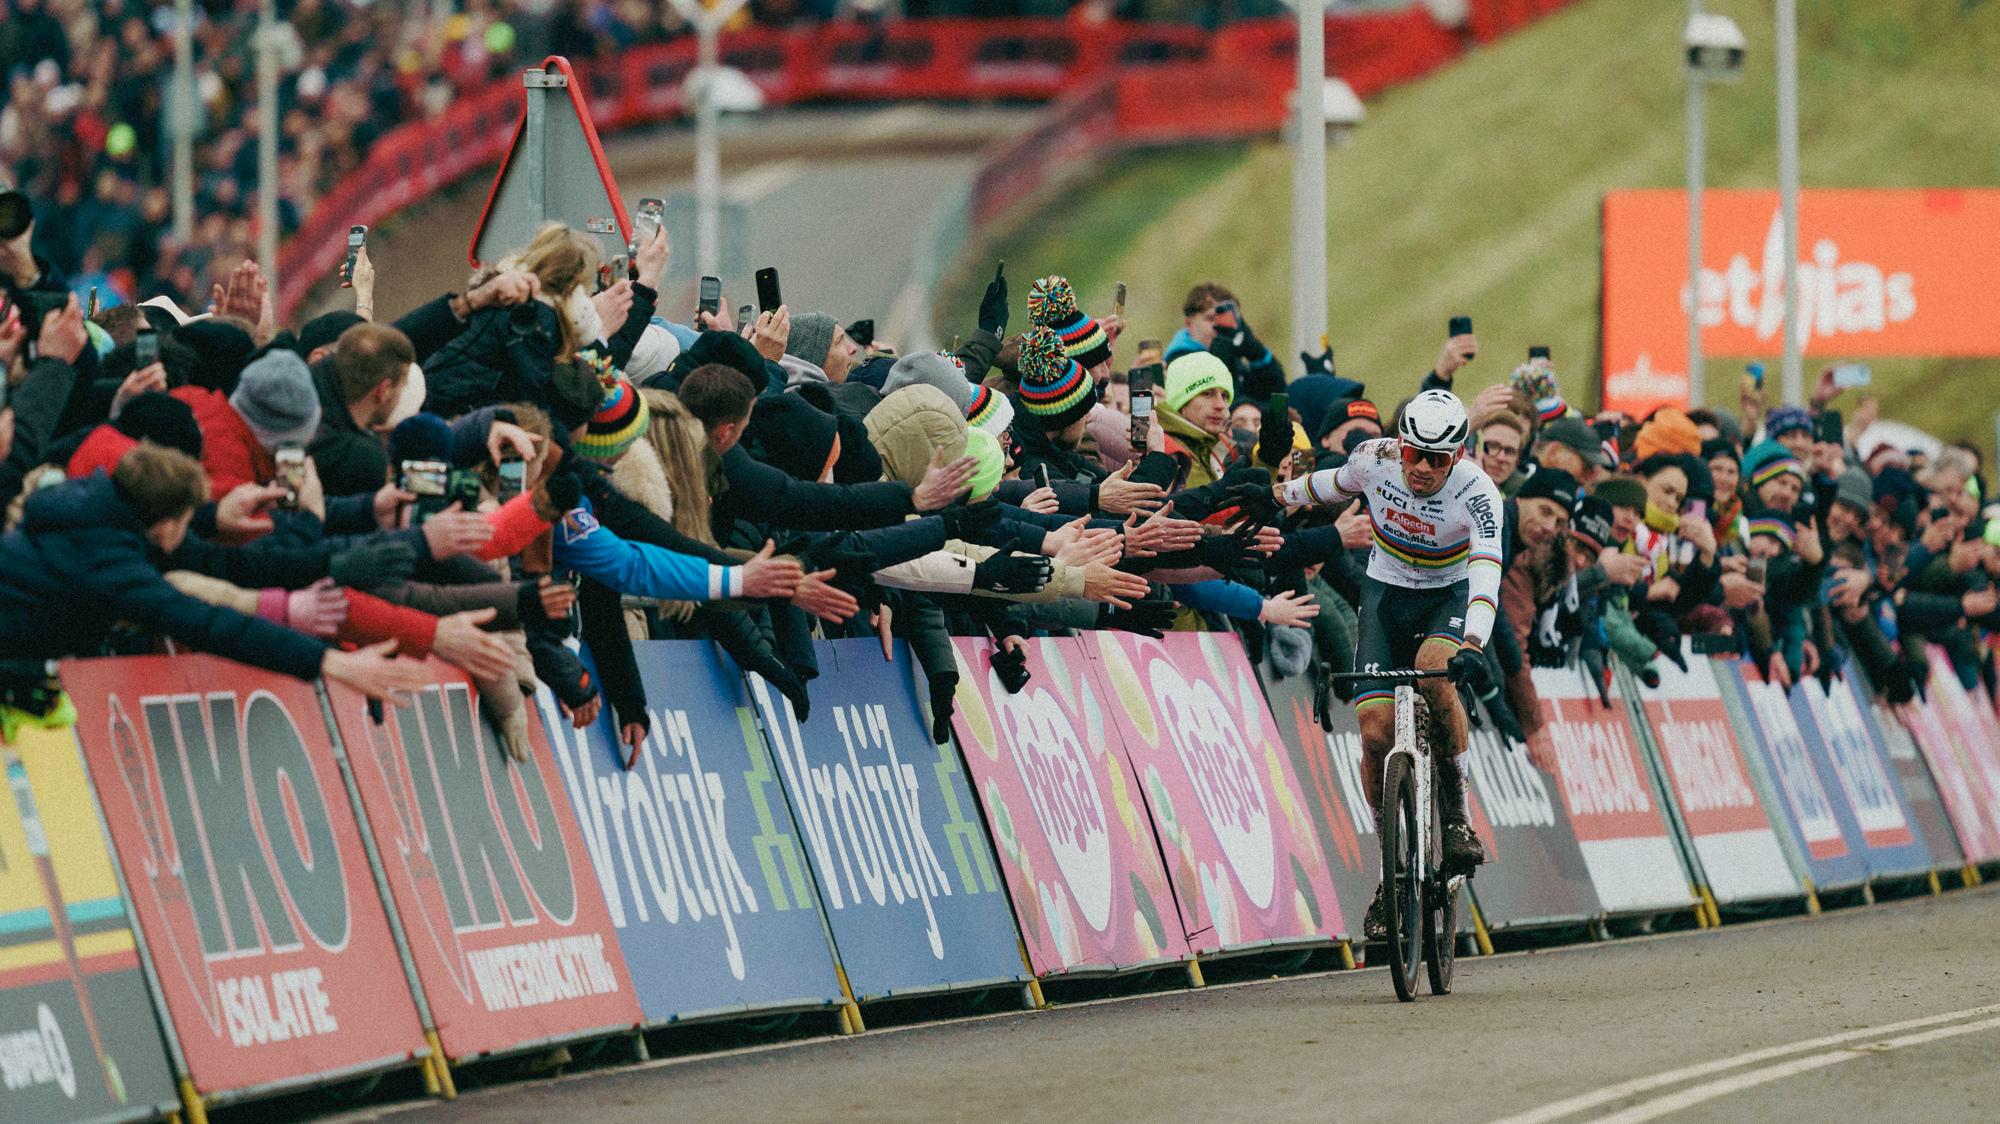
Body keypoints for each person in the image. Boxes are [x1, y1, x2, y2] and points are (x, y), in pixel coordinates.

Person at [1277, 388, 1508, 940]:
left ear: (1459, 456)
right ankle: (1390, 872)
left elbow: (1487, 571)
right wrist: (1267, 496)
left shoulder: (1478, 493)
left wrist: (1473, 642)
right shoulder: (1373, 460)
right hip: (1384, 594)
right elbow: (1318, 487)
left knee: (1435, 668)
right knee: (1376, 733)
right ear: (1399, 446)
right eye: (1414, 455)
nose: (1424, 469)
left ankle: (1455, 814)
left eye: (1438, 460)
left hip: (1448, 596)